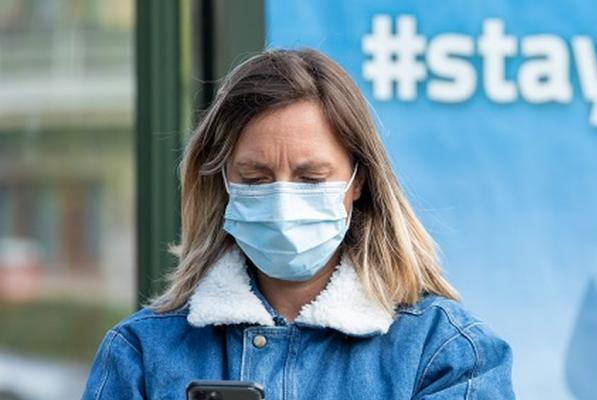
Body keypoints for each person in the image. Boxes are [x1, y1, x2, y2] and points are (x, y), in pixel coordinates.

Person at [81, 48, 515, 399]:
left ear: (358, 181)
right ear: (223, 182)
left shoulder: (445, 353)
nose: (283, 200)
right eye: (256, 178)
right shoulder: (141, 354)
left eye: (311, 179)